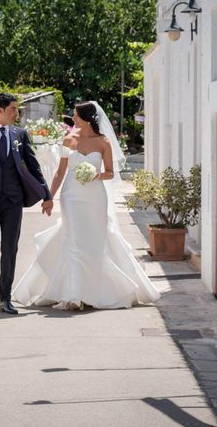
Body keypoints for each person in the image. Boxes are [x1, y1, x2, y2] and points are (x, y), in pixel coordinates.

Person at [13, 101, 160, 310]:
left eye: (75, 115)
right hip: (71, 196)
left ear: (87, 118)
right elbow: (60, 172)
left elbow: (109, 172)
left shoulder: (103, 142)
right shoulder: (68, 140)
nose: (72, 119)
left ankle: (93, 290)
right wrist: (49, 197)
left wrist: (95, 175)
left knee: (93, 242)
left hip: (95, 198)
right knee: (73, 241)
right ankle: (73, 294)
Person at [0, 93, 53, 315]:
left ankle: (5, 298)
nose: (17, 113)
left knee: (10, 249)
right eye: (14, 109)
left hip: (13, 201)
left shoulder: (20, 135)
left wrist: (46, 194)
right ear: (1, 110)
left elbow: (33, 166)